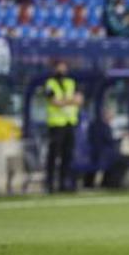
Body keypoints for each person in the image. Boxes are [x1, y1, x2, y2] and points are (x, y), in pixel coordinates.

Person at [44, 61, 81, 193]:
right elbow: (55, 102)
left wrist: (64, 101)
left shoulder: (71, 82)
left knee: (68, 155)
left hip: (69, 123)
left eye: (64, 66)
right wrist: (69, 101)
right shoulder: (50, 84)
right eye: (60, 66)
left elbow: (79, 100)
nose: (62, 69)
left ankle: (63, 183)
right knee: (53, 155)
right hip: (56, 124)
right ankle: (49, 184)